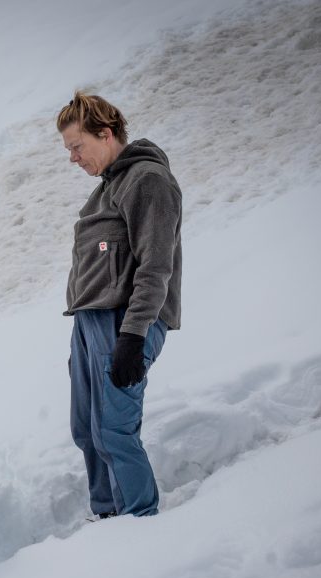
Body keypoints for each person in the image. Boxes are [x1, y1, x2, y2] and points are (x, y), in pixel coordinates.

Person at [57, 91, 182, 518]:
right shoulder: (106, 190)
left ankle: (139, 521)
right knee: (86, 430)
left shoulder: (147, 180)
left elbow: (156, 265)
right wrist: (82, 336)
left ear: (106, 134)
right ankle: (108, 516)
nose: (73, 158)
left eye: (77, 146)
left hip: (125, 321)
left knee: (114, 431)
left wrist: (133, 335)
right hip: (91, 323)